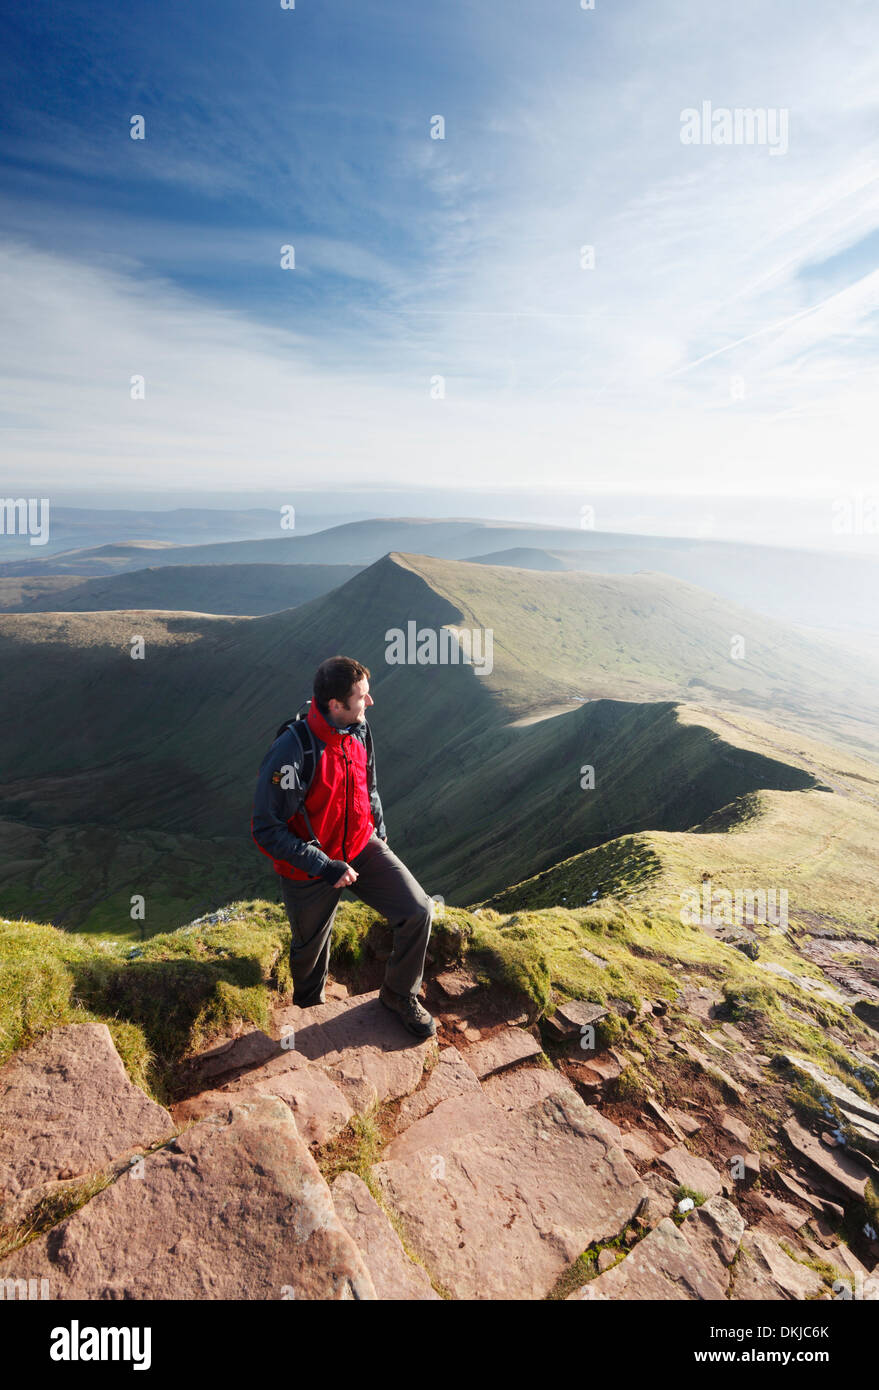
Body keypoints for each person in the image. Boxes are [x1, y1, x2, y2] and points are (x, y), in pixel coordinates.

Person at [251, 654, 436, 1039]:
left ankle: (399, 994)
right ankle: (308, 1020)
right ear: (335, 704)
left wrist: (379, 830)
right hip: (310, 868)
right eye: (361, 697)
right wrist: (324, 865)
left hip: (360, 844)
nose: (370, 703)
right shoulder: (293, 751)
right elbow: (267, 828)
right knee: (310, 956)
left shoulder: (359, 730)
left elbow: (368, 787)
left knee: (418, 910)